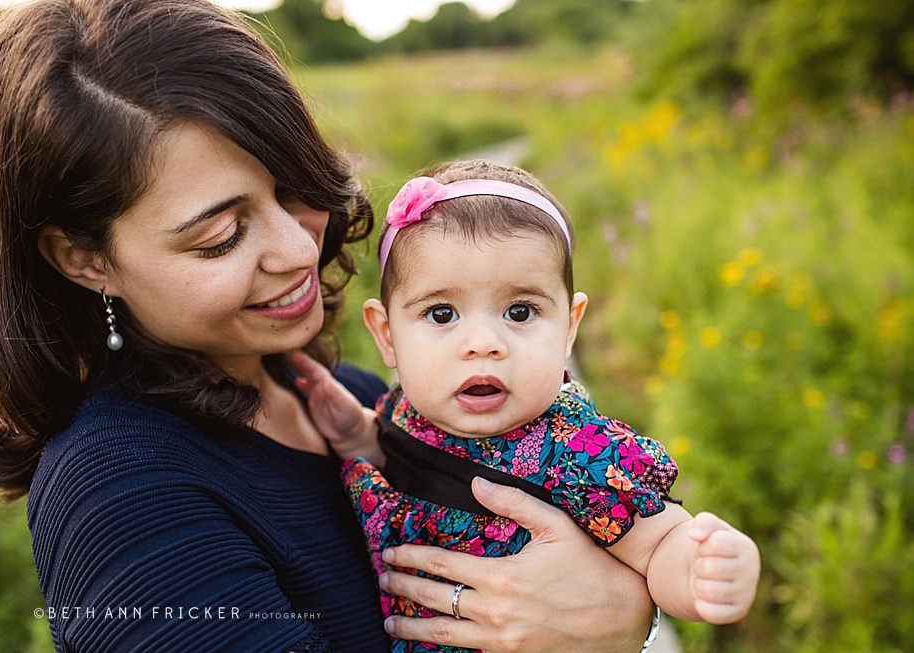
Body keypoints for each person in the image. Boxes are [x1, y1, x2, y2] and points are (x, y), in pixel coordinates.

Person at [0, 1, 658, 651]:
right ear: (84, 257)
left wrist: (622, 607)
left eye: (295, 188)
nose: (299, 250)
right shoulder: (118, 495)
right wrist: (603, 623)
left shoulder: (345, 398)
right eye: (222, 236)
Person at [292, 160, 761, 651]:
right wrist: (359, 438)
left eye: (520, 312)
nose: (482, 343)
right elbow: (407, 461)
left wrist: (699, 569)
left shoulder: (579, 452)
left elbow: (659, 543)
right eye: (441, 313)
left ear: (569, 327)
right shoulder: (407, 414)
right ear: (387, 336)